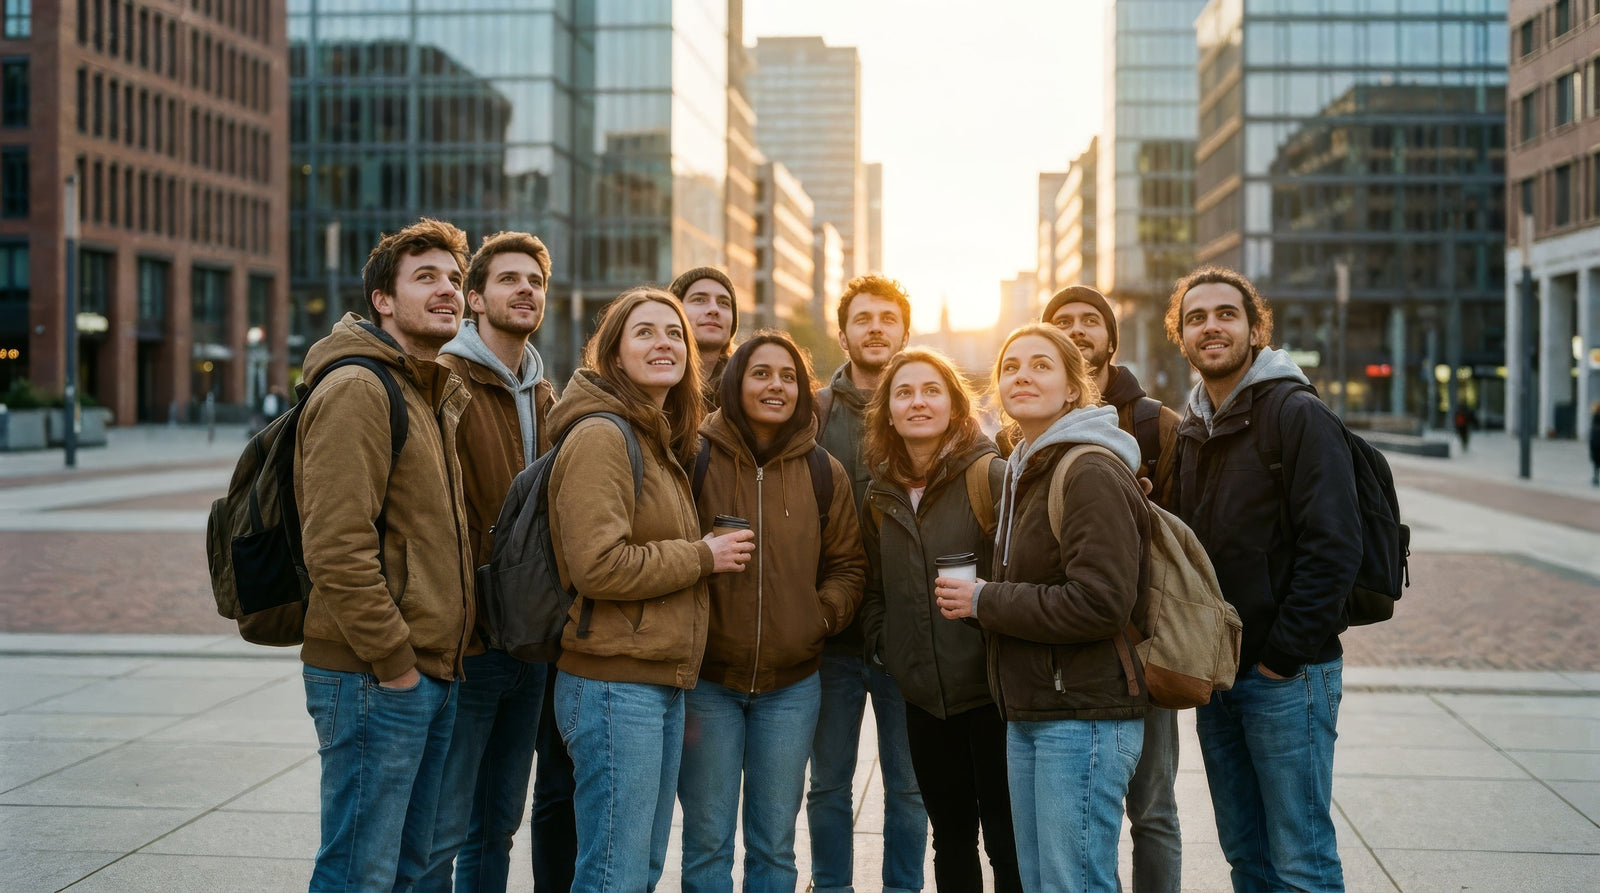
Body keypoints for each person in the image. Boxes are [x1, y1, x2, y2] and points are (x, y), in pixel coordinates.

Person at [546, 287, 755, 892]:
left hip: (653, 680)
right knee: (614, 874)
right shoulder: (602, 435)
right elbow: (598, 565)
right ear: (613, 353)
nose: (663, 343)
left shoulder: (654, 439)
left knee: (637, 871)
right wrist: (702, 555)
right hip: (614, 684)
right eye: (644, 332)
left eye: (673, 333)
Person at [1166, 266, 1361, 892]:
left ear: (1255, 330)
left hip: (1286, 676)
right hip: (1219, 675)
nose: (1211, 327)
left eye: (1226, 314)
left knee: (1301, 860)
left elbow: (1335, 546)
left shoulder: (1298, 413)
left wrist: (1282, 657)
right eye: (1196, 318)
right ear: (1181, 336)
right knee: (1245, 855)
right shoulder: (1192, 427)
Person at [938, 323, 1150, 893]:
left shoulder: (1088, 470)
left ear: (1073, 388)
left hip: (1082, 715)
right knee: (1042, 883)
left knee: (1072, 883)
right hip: (1035, 709)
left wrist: (985, 598)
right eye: (1010, 367)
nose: (1022, 376)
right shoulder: (1027, 468)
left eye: (1040, 365)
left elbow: (1101, 603)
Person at [295, 218, 475, 890]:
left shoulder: (424, 389)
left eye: (454, 278)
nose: (447, 290)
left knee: (402, 872)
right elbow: (336, 546)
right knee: (358, 873)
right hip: (377, 674)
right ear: (383, 300)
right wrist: (396, 662)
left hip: (426, 671)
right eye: (425, 277)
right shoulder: (360, 388)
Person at [679, 331, 867, 892]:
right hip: (707, 683)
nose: (776, 386)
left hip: (791, 689)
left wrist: (818, 618)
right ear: (736, 383)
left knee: (775, 847)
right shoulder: (692, 457)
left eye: (789, 377)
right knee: (707, 845)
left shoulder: (823, 471)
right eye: (761, 373)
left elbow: (849, 567)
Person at [858, 346, 1022, 892]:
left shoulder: (990, 476)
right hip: (924, 700)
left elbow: (1026, 575)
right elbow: (874, 585)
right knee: (950, 840)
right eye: (903, 392)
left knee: (1007, 842)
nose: (918, 402)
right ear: (888, 412)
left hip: (992, 695)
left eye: (932, 391)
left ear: (954, 405)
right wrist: (887, 645)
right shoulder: (879, 493)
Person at [423, 231, 558, 891]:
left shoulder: (545, 393)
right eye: (509, 279)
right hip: (470, 643)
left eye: (535, 281)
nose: (525, 289)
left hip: (529, 643)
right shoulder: (445, 379)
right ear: (475, 298)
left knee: (498, 824)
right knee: (441, 830)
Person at [1044, 285, 1182, 892]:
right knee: (1074, 810)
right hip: (1060, 644)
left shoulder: (1155, 424)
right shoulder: (1026, 426)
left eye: (1089, 320)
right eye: (1063, 321)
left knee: (1152, 808)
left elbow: (1187, 539)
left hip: (1142, 645)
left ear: (1111, 339)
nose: (1077, 329)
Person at [808, 274, 928, 893]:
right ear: (843, 333)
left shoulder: (927, 408)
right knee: (828, 785)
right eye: (863, 318)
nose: (875, 328)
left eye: (887, 319)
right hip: (830, 638)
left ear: (905, 332)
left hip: (907, 638)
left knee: (909, 789)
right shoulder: (813, 413)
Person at [669, 266, 739, 407]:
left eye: (724, 303)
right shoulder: (651, 384)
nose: (714, 309)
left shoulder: (746, 388)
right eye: (699, 300)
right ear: (675, 311)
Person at [1590, 402, 1600, 486]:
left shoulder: (1594, 417)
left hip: (1595, 442)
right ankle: (1595, 477)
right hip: (1596, 440)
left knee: (1596, 463)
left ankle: (1595, 477)